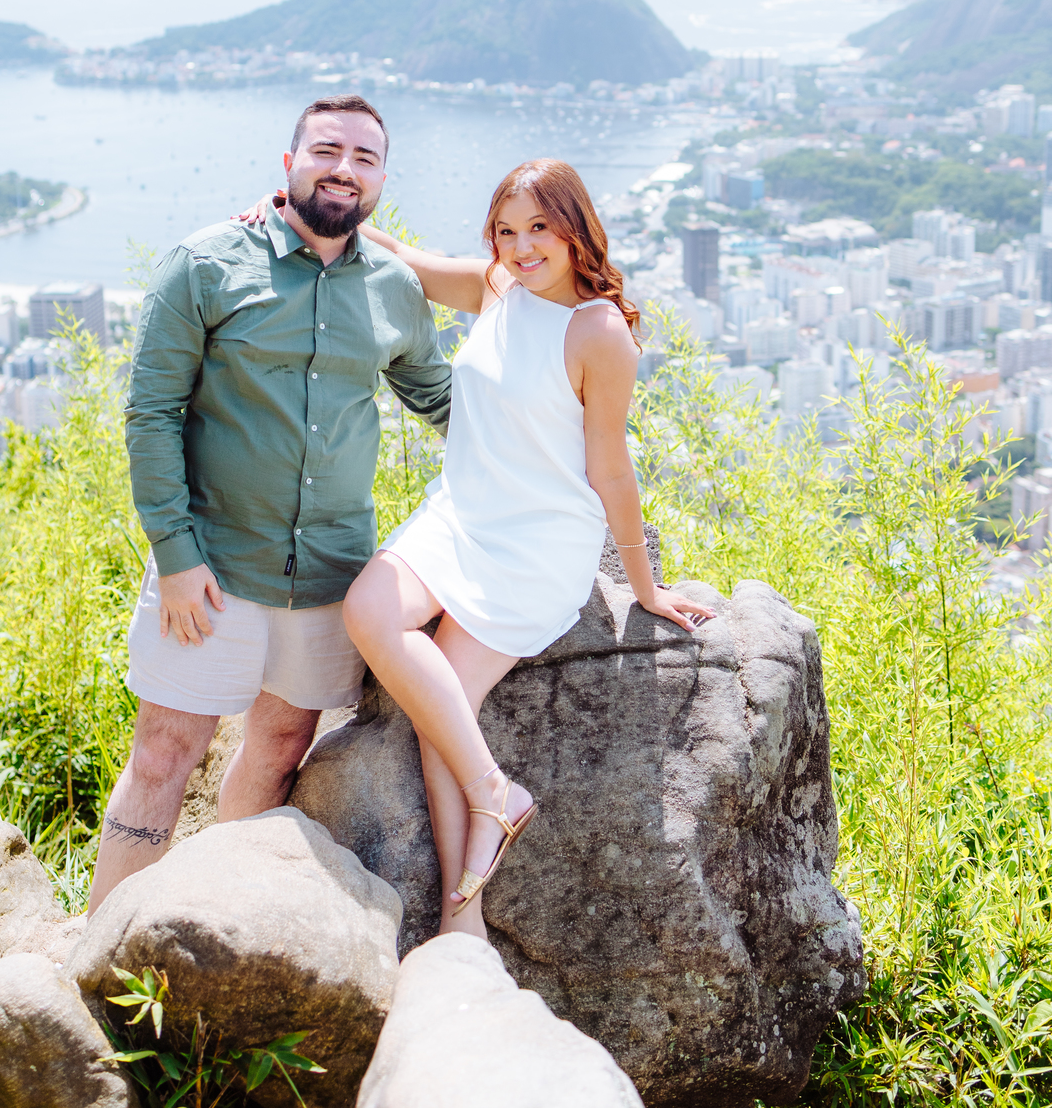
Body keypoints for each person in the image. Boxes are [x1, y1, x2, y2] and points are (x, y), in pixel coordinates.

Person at [249, 157, 714, 943]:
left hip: (537, 542)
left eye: (539, 228)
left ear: (575, 229)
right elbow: (405, 259)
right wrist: (297, 214)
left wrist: (645, 587)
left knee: (446, 712)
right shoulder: (497, 286)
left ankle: (460, 926)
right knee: (371, 610)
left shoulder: (599, 330)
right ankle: (495, 793)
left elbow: (611, 467)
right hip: (459, 516)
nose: (521, 247)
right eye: (505, 230)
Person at [86, 95, 452, 915]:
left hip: (328, 573)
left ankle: (216, 925)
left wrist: (556, 449)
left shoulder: (394, 288)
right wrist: (175, 558)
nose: (344, 169)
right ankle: (102, 948)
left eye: (364, 158)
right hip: (210, 567)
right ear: (289, 163)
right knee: (164, 754)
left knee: (282, 746)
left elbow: (442, 401)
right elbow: (150, 415)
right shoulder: (206, 263)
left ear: (381, 180)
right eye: (327, 150)